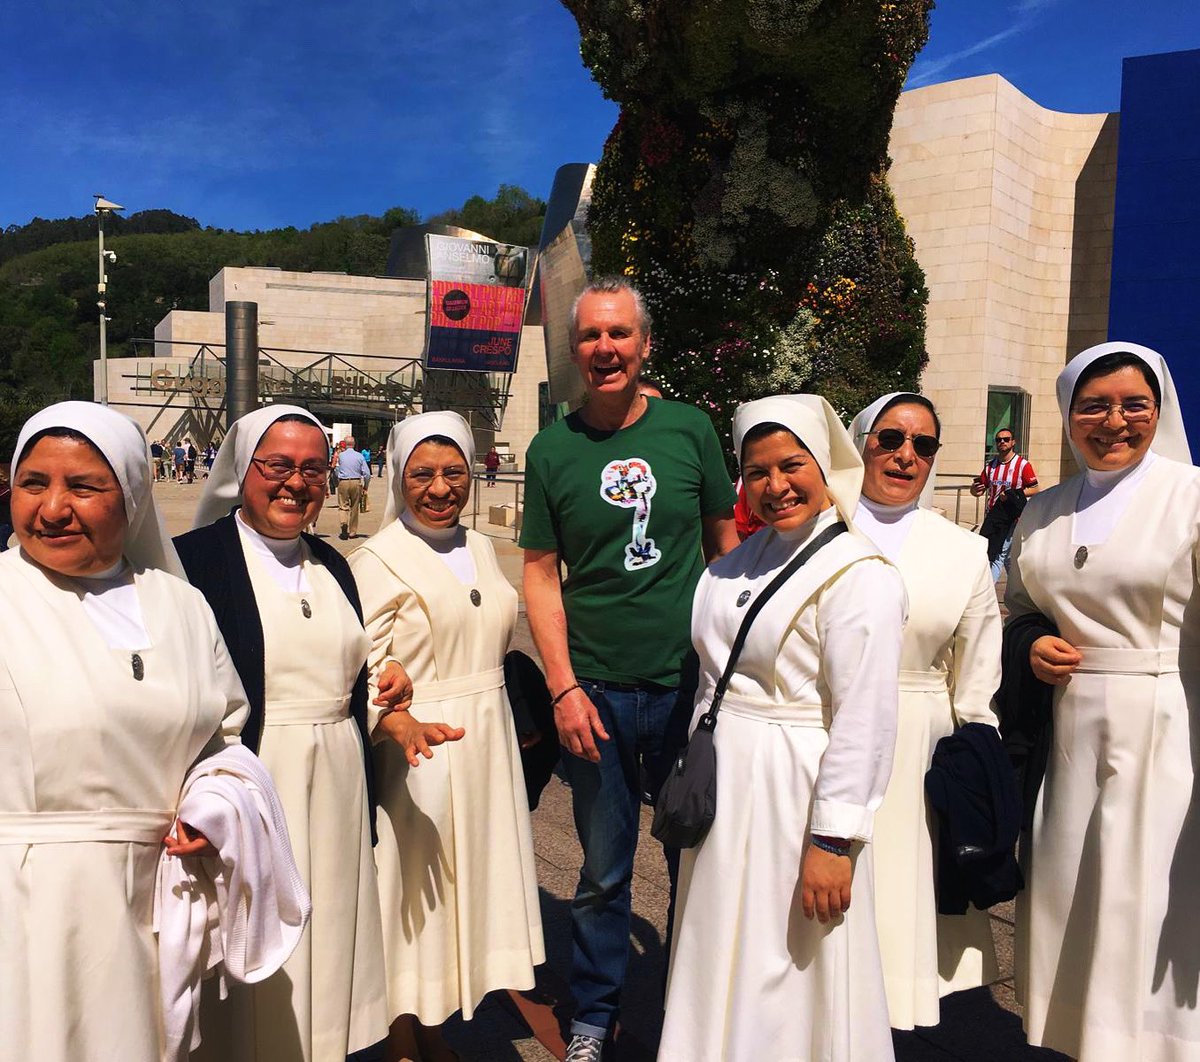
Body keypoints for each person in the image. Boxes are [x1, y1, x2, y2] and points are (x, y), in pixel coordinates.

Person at [520, 277, 738, 1060]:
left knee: (696, 861)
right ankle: (593, 1016)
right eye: (590, 337)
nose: (605, 349)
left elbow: (725, 548)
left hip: (689, 688)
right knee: (605, 873)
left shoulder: (691, 432)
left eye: (619, 335)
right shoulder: (553, 449)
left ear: (644, 344)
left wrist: (735, 669)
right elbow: (541, 573)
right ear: (574, 350)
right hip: (598, 694)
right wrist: (562, 685)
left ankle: (694, 1007)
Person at [0, 401, 252, 1062]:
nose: (52, 508)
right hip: (30, 904)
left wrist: (218, 805)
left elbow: (223, 738)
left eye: (83, 487)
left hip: (164, 898)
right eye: (33, 484)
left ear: (133, 499)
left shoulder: (180, 604)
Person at [659, 394, 905, 1061]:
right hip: (726, 790)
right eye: (757, 471)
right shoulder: (732, 564)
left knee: (791, 959)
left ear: (824, 462)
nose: (776, 486)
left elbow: (865, 718)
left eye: (791, 465)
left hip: (796, 790)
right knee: (718, 943)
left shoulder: (860, 574)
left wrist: (834, 839)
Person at [176, 406, 392, 1062]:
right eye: (278, 466)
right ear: (244, 471)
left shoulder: (333, 563)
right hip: (255, 788)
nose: (295, 482)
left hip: (338, 786)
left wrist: (393, 700)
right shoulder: (194, 562)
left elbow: (354, 676)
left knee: (330, 950)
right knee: (260, 966)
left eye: (312, 468)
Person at [1004, 342, 1200, 1062]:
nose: (1113, 420)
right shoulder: (1044, 510)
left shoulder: (1191, 496)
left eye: (1133, 404)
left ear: (1159, 410)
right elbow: (1020, 606)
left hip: (1165, 729)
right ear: (1068, 414)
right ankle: (1081, 1043)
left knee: (1140, 904)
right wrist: (1029, 645)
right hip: (1070, 733)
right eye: (1093, 405)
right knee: (1071, 899)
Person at [349, 411, 544, 1062]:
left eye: (454, 472)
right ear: (398, 477)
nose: (440, 487)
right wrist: (393, 704)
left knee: (457, 894)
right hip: (423, 751)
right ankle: (403, 1039)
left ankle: (430, 1025)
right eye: (423, 473)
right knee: (412, 894)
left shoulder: (481, 545)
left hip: (485, 740)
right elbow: (362, 662)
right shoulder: (378, 558)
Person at [848, 392, 1002, 1029]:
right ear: (860, 443)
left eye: (923, 444)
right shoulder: (822, 530)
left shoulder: (962, 549)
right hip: (827, 733)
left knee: (898, 905)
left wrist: (975, 775)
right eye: (889, 439)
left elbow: (978, 673)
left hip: (919, 743)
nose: (905, 455)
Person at [970, 427, 1037, 581]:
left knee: (997, 554)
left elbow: (1035, 488)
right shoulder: (991, 466)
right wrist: (974, 489)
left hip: (1012, 518)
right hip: (993, 516)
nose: (1002, 442)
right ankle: (1021, 589)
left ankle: (988, 593)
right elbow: (978, 491)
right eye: (999, 440)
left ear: (1013, 442)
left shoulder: (1022, 465)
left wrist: (1012, 494)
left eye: (1006, 439)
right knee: (1005, 557)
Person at [334, 437, 371, 540]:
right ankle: (352, 532)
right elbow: (367, 474)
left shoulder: (341, 456)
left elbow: (337, 469)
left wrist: (338, 480)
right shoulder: (360, 456)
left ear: (345, 444)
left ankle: (344, 524)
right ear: (354, 444)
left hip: (343, 481)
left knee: (343, 505)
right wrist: (366, 486)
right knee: (354, 507)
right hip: (356, 482)